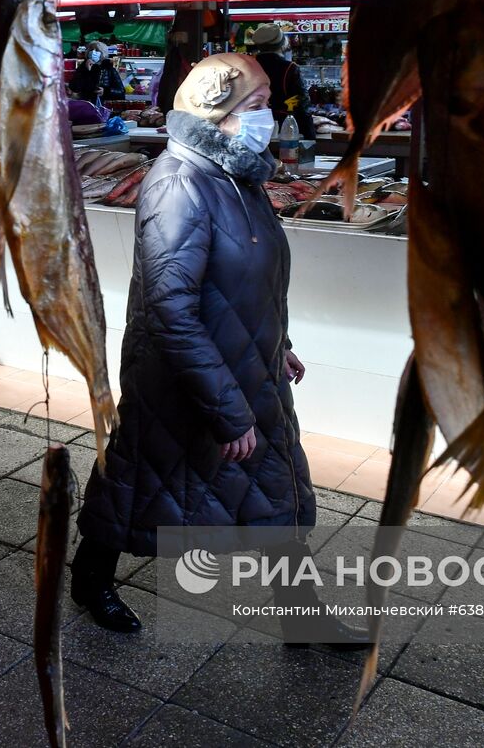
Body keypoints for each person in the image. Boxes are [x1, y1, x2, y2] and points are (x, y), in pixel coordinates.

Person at [72, 54, 364, 648]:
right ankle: (89, 575)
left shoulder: (233, 174)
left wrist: (276, 345)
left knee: (273, 491)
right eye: (256, 107)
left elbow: (246, 282)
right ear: (218, 112)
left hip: (245, 369)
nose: (268, 120)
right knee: (139, 481)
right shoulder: (180, 185)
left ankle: (301, 616)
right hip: (184, 384)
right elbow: (170, 310)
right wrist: (228, 410)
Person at [249, 24, 314, 140]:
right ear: (282, 43)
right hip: (284, 131)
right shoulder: (289, 68)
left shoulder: (247, 66)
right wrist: (310, 137)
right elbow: (302, 105)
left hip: (251, 130)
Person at [68, 40, 125, 106]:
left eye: (97, 50)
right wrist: (85, 70)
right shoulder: (82, 68)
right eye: (91, 49)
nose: (93, 52)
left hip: (104, 107)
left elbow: (121, 91)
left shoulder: (109, 69)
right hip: (85, 106)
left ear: (103, 53)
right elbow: (74, 87)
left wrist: (105, 91)